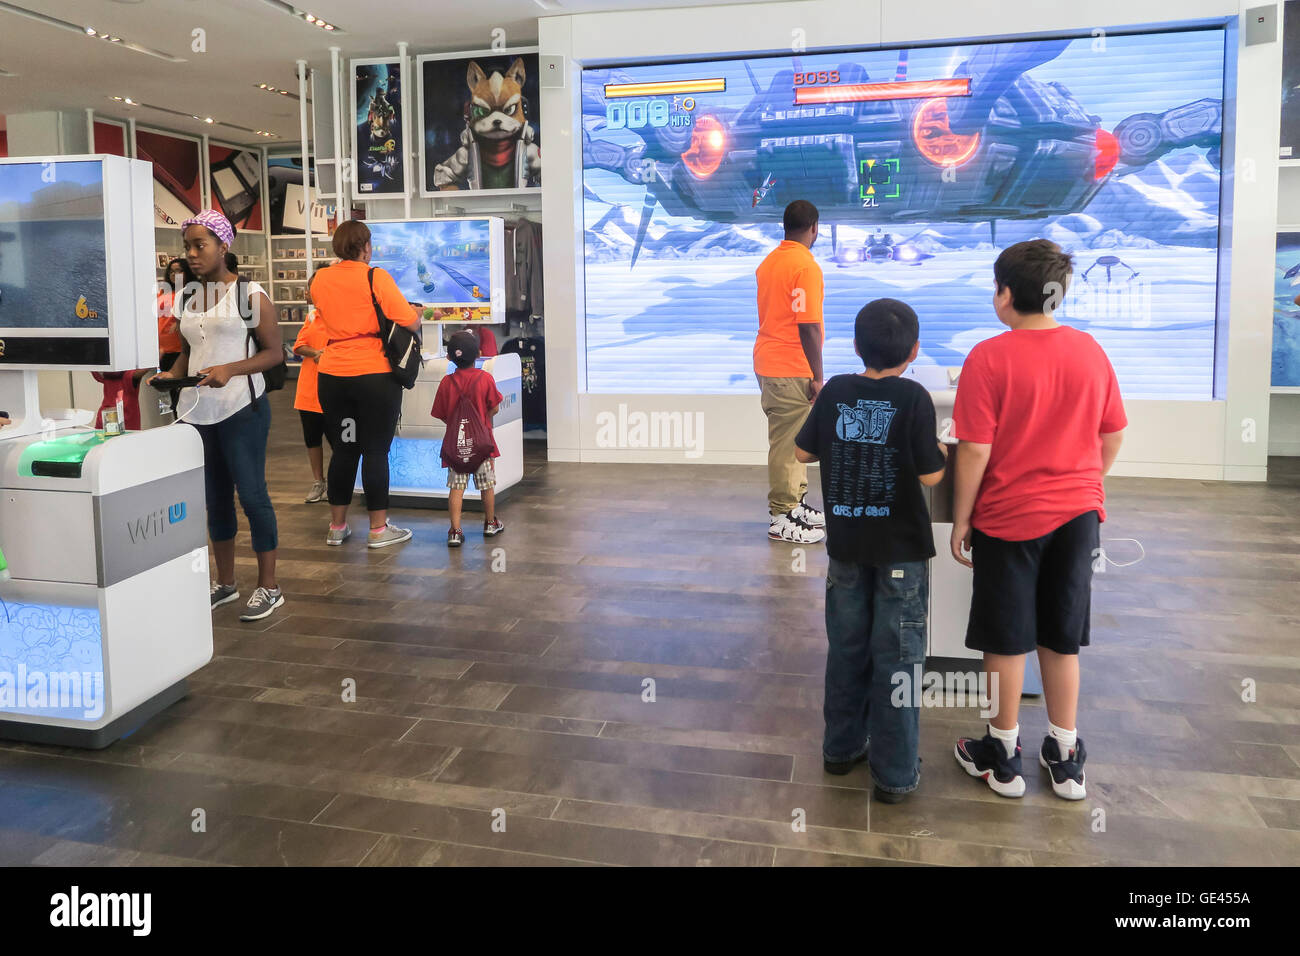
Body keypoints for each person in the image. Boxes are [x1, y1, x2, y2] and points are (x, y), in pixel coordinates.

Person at [949, 239, 1127, 800]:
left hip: (1008, 518)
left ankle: (1003, 753)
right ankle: (1065, 754)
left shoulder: (988, 357)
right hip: (1078, 518)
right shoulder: (1091, 351)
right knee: (1061, 634)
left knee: (1005, 638)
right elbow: (1113, 432)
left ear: (1004, 294)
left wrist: (961, 520)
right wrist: (1084, 483)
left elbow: (974, 450)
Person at [794, 298, 947, 804]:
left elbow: (802, 451)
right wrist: (942, 451)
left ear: (856, 347)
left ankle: (839, 751)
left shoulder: (836, 389)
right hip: (901, 556)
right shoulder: (915, 397)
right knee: (898, 660)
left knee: (847, 651)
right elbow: (930, 475)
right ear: (915, 351)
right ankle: (896, 775)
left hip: (846, 552)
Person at [149, 209, 286, 622]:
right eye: (187, 246)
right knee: (214, 500)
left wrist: (231, 370)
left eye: (200, 245)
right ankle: (225, 583)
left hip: (242, 409)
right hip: (196, 411)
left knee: (253, 496)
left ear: (224, 247)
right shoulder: (189, 298)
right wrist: (171, 374)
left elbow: (274, 353)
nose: (191, 254)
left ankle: (269, 587)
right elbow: (190, 353)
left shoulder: (250, 295)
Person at [309, 219, 421, 548]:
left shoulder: (320, 280)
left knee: (344, 450)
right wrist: (415, 312)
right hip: (374, 377)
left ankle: (337, 526)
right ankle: (377, 530)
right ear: (366, 246)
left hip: (332, 376)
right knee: (375, 450)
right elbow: (410, 321)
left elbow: (325, 314)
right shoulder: (376, 276)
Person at [755, 199, 827, 543]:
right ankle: (781, 516)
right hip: (790, 367)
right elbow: (808, 325)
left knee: (795, 439)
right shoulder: (805, 266)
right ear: (814, 228)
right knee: (787, 444)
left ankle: (795, 504)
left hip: (770, 362)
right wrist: (818, 375)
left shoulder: (770, 262)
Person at [431, 330, 505, 548]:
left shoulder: (446, 382)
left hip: (457, 446)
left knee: (456, 488)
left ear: (449, 357)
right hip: (483, 444)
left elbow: (442, 413)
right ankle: (490, 523)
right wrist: (480, 423)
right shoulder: (485, 379)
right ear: (478, 354)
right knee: (487, 485)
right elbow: (495, 407)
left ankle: (455, 531)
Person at [293, 269, 330, 503]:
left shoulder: (344, 316)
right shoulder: (312, 317)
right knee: (312, 439)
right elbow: (298, 346)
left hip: (334, 390)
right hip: (308, 391)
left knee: (341, 442)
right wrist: (316, 353)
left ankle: (338, 482)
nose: (309, 292)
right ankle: (319, 482)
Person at [158, 258, 192, 372]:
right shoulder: (164, 292)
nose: (174, 274)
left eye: (178, 271)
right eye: (171, 271)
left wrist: (181, 322)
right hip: (163, 348)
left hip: (181, 348)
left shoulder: (191, 292)